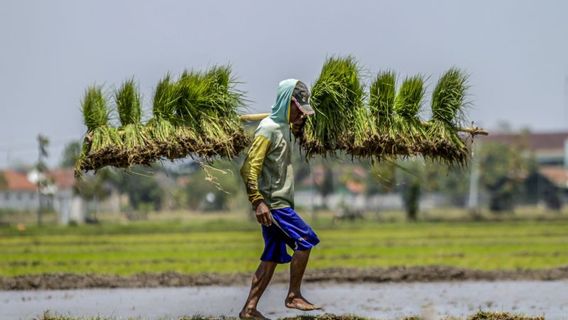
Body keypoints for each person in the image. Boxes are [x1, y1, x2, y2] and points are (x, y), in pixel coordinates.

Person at [239, 79, 321, 319]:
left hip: (277, 203)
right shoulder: (267, 129)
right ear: (287, 103)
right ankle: (293, 295)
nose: (301, 114)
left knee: (272, 255)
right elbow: (248, 169)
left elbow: (297, 126)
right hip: (274, 205)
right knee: (306, 240)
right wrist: (258, 201)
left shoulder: (283, 126)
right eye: (298, 108)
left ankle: (249, 309)